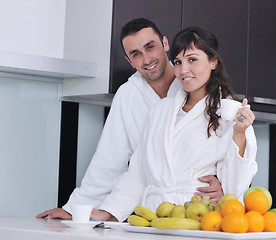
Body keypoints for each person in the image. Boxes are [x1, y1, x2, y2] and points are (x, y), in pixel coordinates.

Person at [36, 18, 223, 220]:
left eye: (150, 47)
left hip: (201, 207)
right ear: (129, 61)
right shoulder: (128, 96)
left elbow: (229, 152)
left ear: (165, 44)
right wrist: (76, 208)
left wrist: (224, 184)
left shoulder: (198, 85)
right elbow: (109, 160)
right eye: (136, 54)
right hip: (152, 211)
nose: (146, 59)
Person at [91, 26, 258, 222]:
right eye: (178, 62)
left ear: (213, 61)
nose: (183, 70)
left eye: (192, 60)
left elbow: (237, 185)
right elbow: (139, 172)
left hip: (199, 219)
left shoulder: (230, 113)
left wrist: (239, 133)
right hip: (155, 217)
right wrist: (110, 211)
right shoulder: (162, 110)